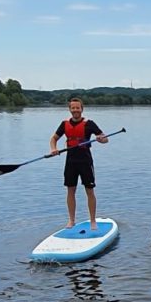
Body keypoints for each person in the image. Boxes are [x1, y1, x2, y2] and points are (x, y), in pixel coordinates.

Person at [48, 97, 109, 228]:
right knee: (70, 190)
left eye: (78, 108)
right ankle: (71, 220)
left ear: (82, 109)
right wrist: (54, 149)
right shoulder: (64, 124)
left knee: (89, 190)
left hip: (85, 161)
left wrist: (100, 139)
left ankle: (93, 221)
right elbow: (53, 139)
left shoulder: (89, 124)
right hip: (71, 161)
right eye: (73, 108)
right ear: (69, 109)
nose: (75, 110)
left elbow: (105, 139)